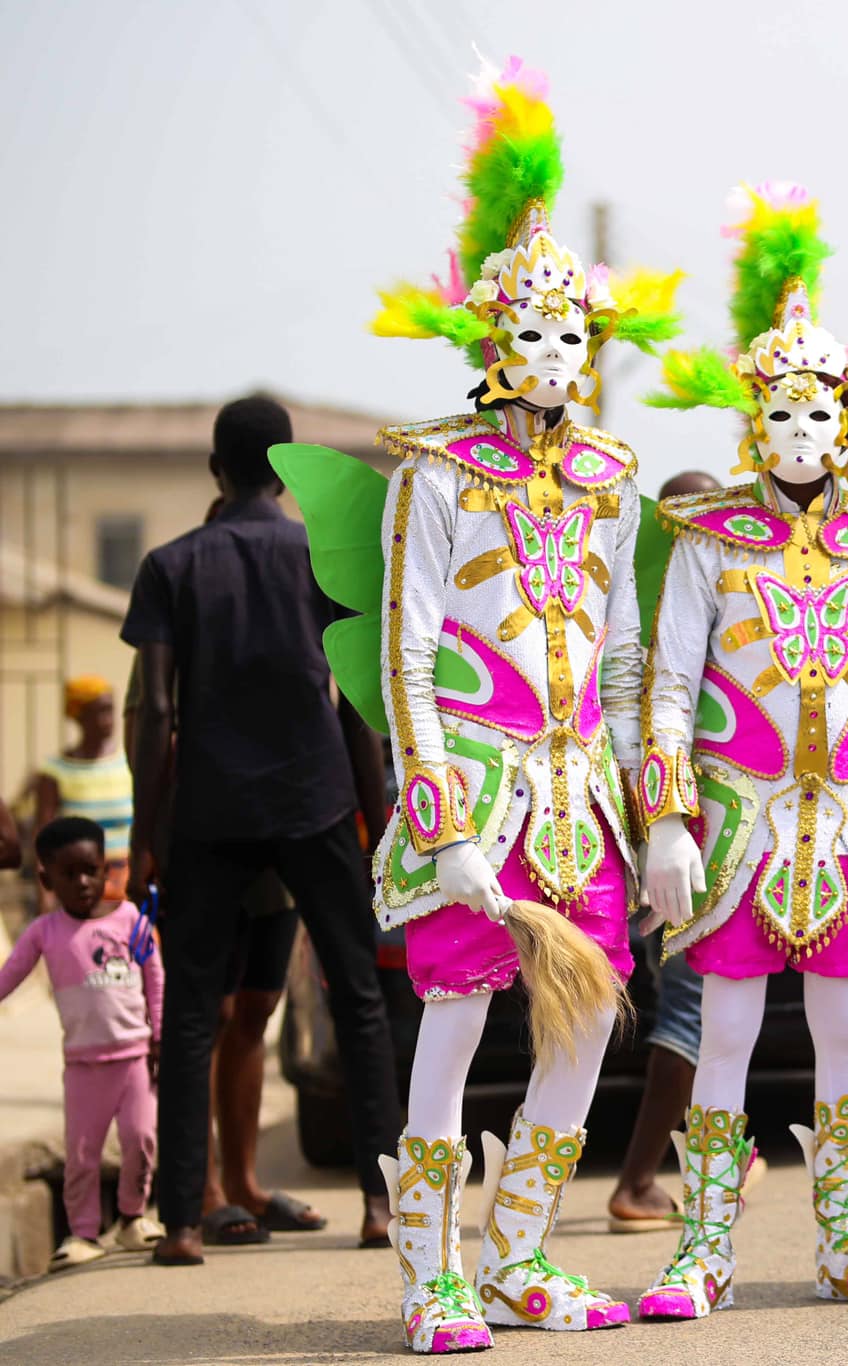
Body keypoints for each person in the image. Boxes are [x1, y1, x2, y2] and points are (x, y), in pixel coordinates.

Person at [333, 56, 680, 1353]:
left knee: (590, 1017)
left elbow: (632, 656)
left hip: (582, 795)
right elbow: (406, 660)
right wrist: (442, 820)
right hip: (473, 786)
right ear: (488, 340)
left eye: (570, 334)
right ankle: (428, 1271)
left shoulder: (606, 475)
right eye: (528, 332)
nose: (550, 354)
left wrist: (661, 813)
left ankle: (523, 1249)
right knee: (455, 1018)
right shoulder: (439, 471)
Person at [638, 183, 848, 1317]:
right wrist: (666, 819)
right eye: (776, 416)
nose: (796, 434)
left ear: (846, 424)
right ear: (752, 425)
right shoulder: (709, 540)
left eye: (815, 414)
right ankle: (703, 1249)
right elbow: (670, 685)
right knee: (723, 1025)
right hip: (739, 818)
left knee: (842, 1029)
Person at [122, 392, 402, 1269]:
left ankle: (183, 1223)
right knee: (359, 1000)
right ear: (285, 467)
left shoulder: (172, 565)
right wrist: (384, 818)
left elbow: (155, 711)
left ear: (215, 469)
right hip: (315, 802)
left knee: (194, 1014)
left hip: (208, 809)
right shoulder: (324, 558)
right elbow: (357, 701)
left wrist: (146, 831)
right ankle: (379, 1206)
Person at [608, 469, 730, 1234]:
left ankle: (699, 1164)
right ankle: (638, 1179)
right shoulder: (699, 611)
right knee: (691, 1008)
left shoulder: (638, 606)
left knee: (705, 1006)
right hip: (692, 836)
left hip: (648, 835)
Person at [0, 818, 162, 1270]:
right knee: (83, 1154)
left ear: (106, 868)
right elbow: (10, 976)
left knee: (141, 1138)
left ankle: (132, 1216)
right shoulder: (43, 932)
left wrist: (160, 1036)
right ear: (46, 878)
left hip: (135, 1058)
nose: (84, 882)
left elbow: (154, 977)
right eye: (69, 874)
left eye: (91, 870)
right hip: (84, 1067)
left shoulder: (132, 919)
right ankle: (83, 1233)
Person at [33, 676, 133, 904]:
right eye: (99, 712)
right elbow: (42, 836)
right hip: (81, 886)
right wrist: (45, 898)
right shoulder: (56, 771)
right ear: (79, 717)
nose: (107, 720)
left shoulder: (127, 761)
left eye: (110, 711)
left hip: (126, 884)